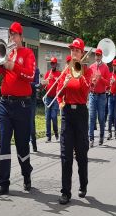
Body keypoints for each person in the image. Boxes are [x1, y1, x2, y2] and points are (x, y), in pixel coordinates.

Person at [0, 22, 36, 196]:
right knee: (3, 143)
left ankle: (26, 173)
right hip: (5, 103)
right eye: (10, 35)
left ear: (21, 37)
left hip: (22, 105)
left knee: (22, 146)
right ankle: (3, 183)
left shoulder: (28, 53)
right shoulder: (7, 52)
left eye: (15, 35)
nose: (12, 38)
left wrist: (14, 66)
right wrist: (1, 60)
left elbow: (30, 76)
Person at [56, 38, 92, 204]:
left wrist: (80, 75)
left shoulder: (87, 71)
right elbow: (57, 93)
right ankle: (65, 191)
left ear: (82, 53)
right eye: (72, 50)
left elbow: (86, 92)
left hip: (81, 113)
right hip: (67, 113)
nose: (74, 53)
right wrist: (63, 86)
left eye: (77, 50)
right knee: (65, 154)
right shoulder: (65, 70)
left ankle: (83, 184)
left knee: (81, 152)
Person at [88, 48, 110, 148]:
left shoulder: (105, 68)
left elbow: (108, 83)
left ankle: (101, 136)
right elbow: (88, 82)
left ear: (101, 56)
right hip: (92, 95)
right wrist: (91, 82)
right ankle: (91, 139)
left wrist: (101, 78)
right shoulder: (91, 67)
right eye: (96, 55)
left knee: (101, 118)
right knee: (91, 118)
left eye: (99, 55)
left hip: (101, 95)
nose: (97, 57)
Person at [41, 57, 61, 142]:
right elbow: (43, 86)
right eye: (51, 63)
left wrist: (56, 79)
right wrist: (46, 80)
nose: (52, 65)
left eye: (54, 63)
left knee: (54, 117)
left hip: (55, 99)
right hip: (48, 98)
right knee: (47, 117)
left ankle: (56, 133)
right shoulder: (47, 73)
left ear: (56, 64)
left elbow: (61, 84)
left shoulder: (58, 74)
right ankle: (48, 136)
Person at [30, 66, 41, 152]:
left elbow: (37, 84)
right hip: (21, 98)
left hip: (31, 98)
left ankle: (34, 143)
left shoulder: (35, 69)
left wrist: (27, 82)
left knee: (31, 121)